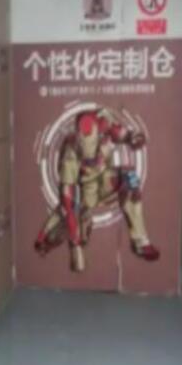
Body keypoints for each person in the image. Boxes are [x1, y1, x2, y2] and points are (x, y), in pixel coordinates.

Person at [34, 108, 160, 272]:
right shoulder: (70, 154)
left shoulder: (104, 123)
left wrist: (132, 138)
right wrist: (76, 245)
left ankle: (140, 242)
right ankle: (46, 240)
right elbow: (68, 201)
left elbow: (124, 135)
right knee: (72, 226)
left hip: (104, 181)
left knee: (130, 180)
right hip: (83, 194)